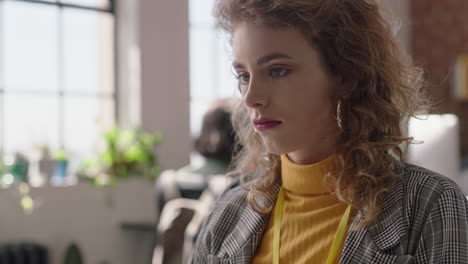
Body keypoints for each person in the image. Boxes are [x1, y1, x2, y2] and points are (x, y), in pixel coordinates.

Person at [190, 0, 468, 263]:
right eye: (243, 75)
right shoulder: (229, 211)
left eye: (277, 71)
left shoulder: (429, 204)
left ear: (345, 76)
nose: (251, 98)